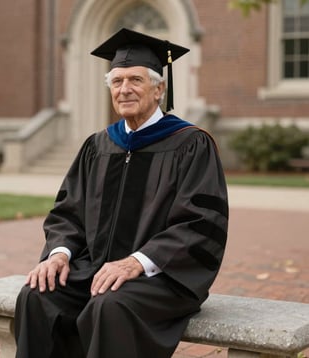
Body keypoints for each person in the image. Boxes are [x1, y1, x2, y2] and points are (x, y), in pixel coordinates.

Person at [14, 27, 229, 358]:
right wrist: (59, 254)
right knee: (37, 294)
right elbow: (68, 211)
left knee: (110, 304)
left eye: (135, 80)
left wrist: (137, 262)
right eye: (117, 81)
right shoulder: (98, 146)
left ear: (159, 90)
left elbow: (201, 223)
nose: (124, 89)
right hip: (97, 267)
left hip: (163, 276)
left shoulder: (190, 144)